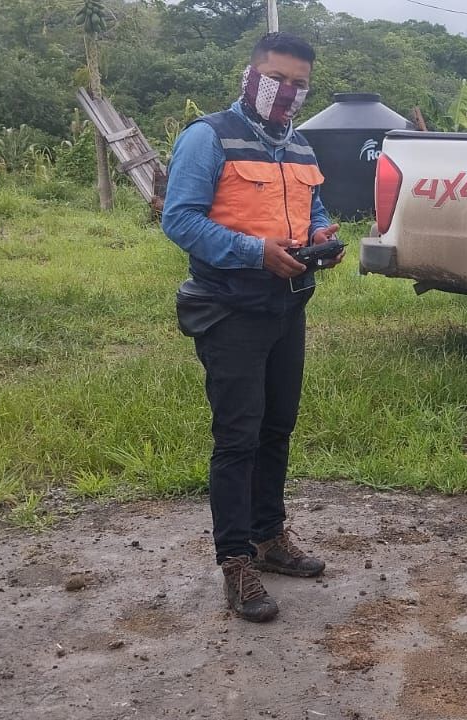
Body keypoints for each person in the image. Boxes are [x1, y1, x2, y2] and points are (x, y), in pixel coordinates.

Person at [160, 31, 341, 623]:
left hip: (287, 307)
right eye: (278, 78)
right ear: (250, 75)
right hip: (229, 309)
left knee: (277, 427)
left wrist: (320, 239)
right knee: (237, 437)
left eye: (300, 84)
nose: (288, 92)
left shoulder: (299, 145)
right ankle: (235, 560)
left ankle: (269, 539)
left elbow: (312, 211)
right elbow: (179, 219)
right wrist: (253, 252)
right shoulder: (207, 138)